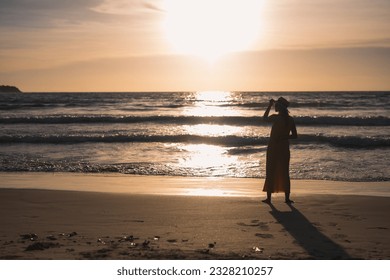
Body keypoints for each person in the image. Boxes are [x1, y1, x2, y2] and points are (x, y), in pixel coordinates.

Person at [262, 97, 297, 204]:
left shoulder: (276, 118)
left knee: (271, 170)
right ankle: (287, 199)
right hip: (283, 147)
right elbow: (294, 136)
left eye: (276, 105)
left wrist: (269, 105)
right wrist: (284, 137)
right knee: (284, 171)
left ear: (280, 107)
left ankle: (269, 198)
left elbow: (264, 119)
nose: (275, 107)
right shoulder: (290, 119)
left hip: (274, 146)